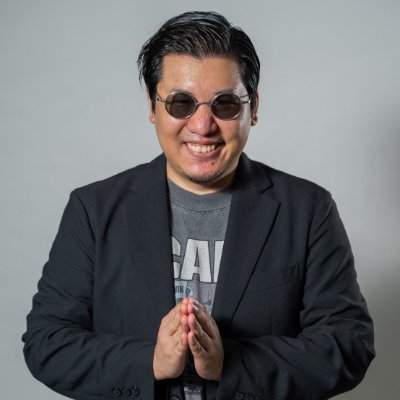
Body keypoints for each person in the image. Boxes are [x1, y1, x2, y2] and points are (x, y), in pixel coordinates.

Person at [22, 11, 375, 400]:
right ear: (153, 107)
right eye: (181, 103)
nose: (202, 125)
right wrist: (151, 362)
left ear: (253, 107)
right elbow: (47, 342)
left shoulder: (308, 210)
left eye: (225, 103)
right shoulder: (93, 210)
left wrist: (232, 364)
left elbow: (349, 345)